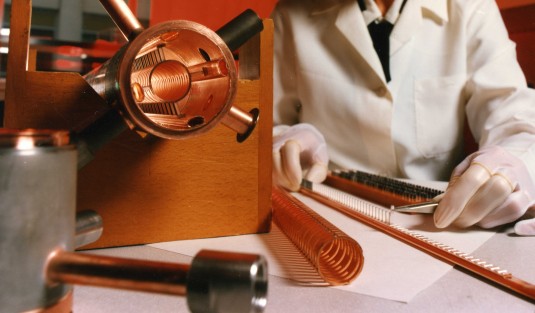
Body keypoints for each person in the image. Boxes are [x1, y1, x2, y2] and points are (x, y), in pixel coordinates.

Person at [271, 0, 535, 235]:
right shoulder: (290, 13)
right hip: (329, 213)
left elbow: (514, 116)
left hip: (439, 222)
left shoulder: (471, 7)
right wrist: (284, 141)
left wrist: (511, 163)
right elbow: (267, 126)